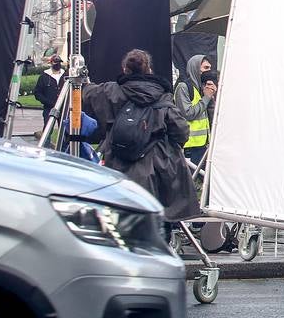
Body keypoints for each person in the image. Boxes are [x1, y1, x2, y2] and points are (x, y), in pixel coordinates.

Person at [83, 49, 202, 221]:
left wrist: (82, 81)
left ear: (125, 69)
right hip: (157, 166)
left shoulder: (110, 92)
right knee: (159, 217)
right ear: (149, 70)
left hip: (117, 164)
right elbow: (181, 130)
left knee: (120, 217)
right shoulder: (162, 97)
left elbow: (88, 94)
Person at [173, 54, 214, 166]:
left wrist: (212, 97)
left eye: (210, 68)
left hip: (203, 144)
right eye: (205, 68)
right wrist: (206, 98)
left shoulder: (203, 88)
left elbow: (211, 116)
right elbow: (188, 113)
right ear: (195, 68)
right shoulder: (184, 87)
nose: (208, 71)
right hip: (189, 145)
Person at [34, 54, 68, 124]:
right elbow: (37, 93)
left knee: (64, 129)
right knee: (47, 127)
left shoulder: (65, 75)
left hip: (63, 107)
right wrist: (46, 101)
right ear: (51, 63)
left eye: (59, 62)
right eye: (55, 62)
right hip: (49, 108)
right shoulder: (44, 76)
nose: (58, 64)